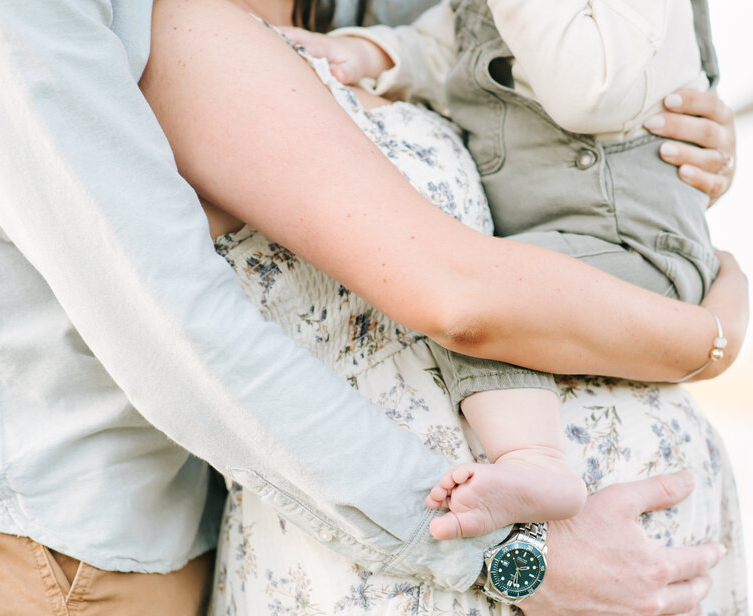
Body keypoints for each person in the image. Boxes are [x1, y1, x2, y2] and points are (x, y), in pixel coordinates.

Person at [0, 1, 744, 616]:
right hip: (72, 542)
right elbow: (177, 325)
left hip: (289, 548)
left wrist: (652, 127)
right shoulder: (164, 32)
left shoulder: (350, 16)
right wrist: (703, 339)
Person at [284, 0, 728, 541]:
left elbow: (590, 92)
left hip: (627, 238)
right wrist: (367, 51)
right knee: (481, 283)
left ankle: (536, 460)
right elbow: (444, 46)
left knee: (488, 294)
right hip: (557, 242)